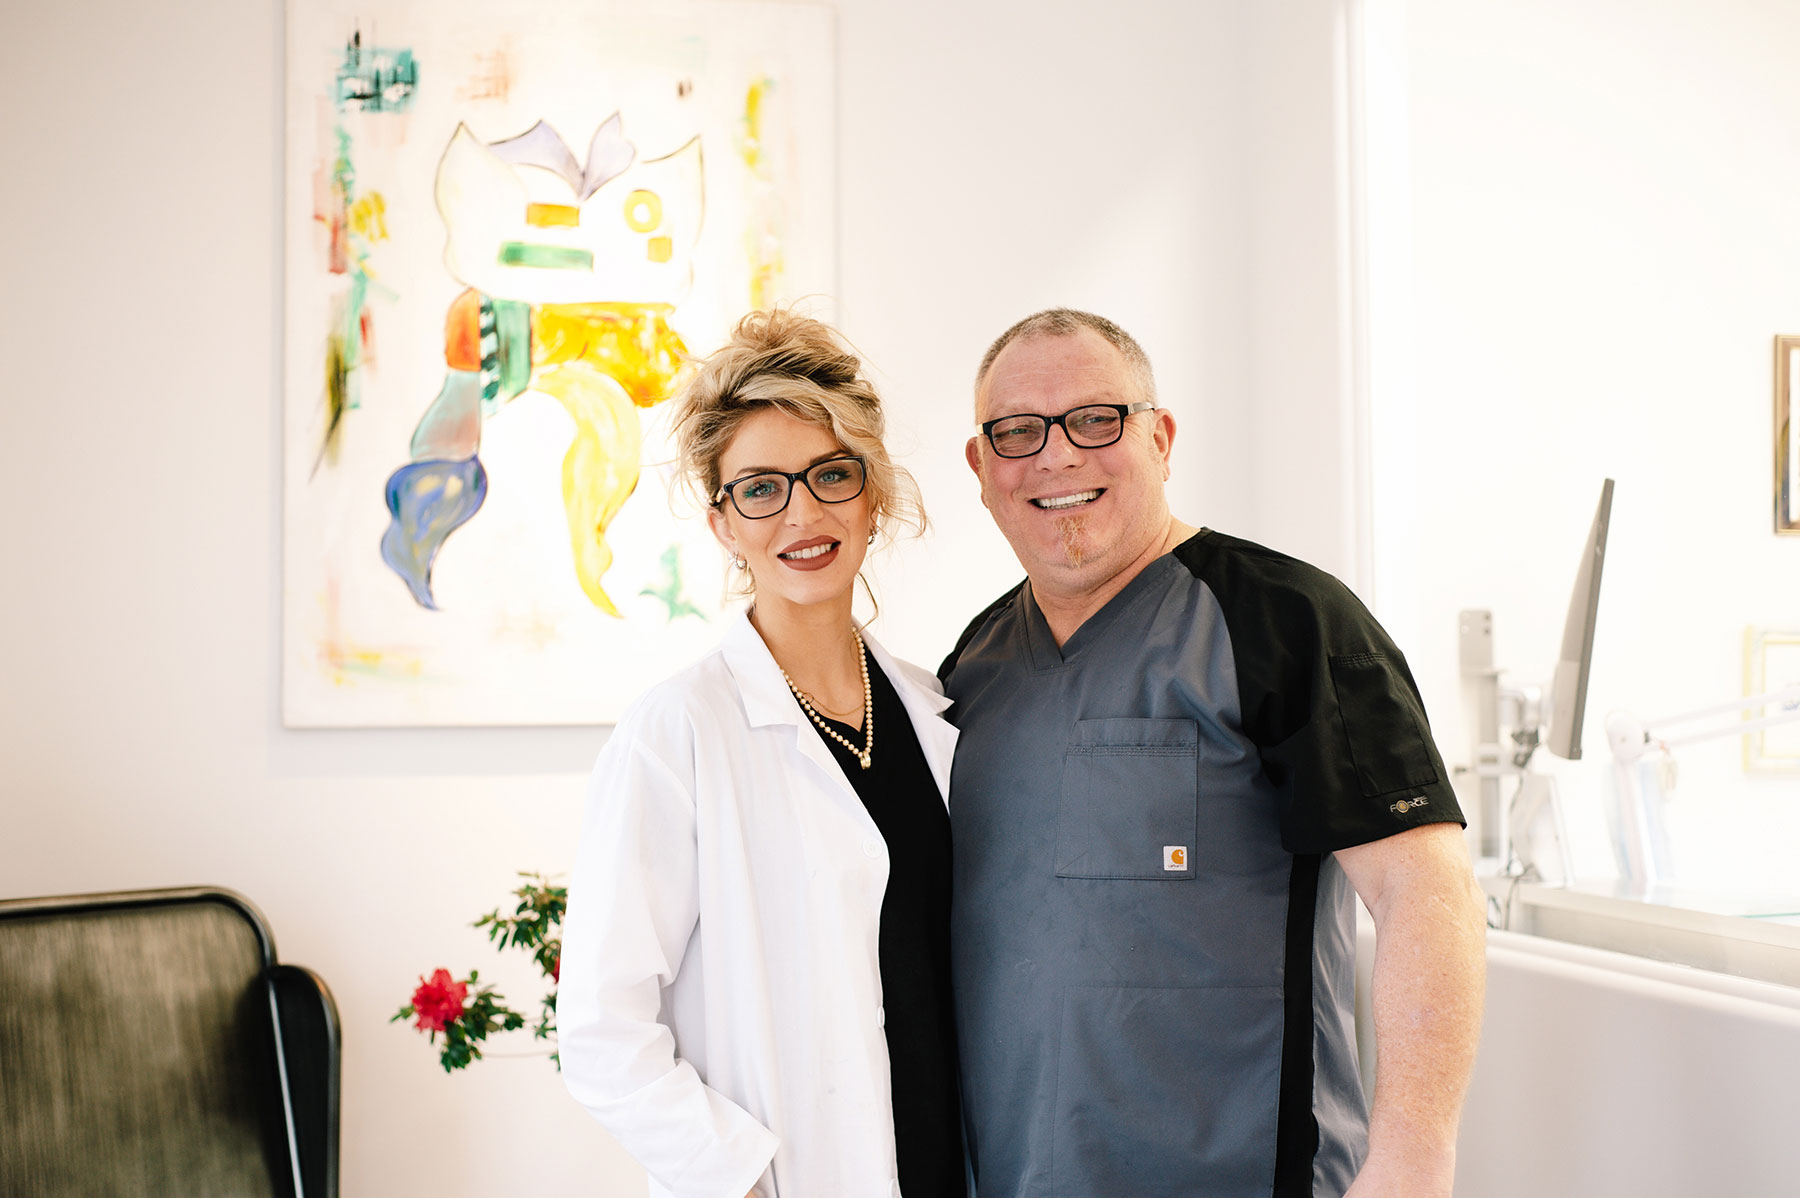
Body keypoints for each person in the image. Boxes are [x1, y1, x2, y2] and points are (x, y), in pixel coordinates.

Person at [940, 308, 1487, 1198]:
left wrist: (1413, 1159)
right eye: (1017, 432)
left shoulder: (1285, 622)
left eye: (1095, 419)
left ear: (1159, 437)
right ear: (981, 466)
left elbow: (1426, 889)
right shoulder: (973, 666)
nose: (1057, 455)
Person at [559, 311, 967, 1198]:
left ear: (873, 494)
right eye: (760, 489)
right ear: (722, 523)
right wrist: (740, 1178)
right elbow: (599, 1027)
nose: (804, 514)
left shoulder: (937, 707)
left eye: (831, 475)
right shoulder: (678, 733)